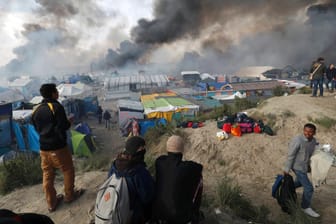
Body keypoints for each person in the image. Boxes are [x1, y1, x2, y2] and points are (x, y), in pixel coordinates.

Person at [31, 83, 84, 213]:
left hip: (43, 148)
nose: (58, 93)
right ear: (53, 93)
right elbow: (63, 126)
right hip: (58, 147)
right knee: (67, 170)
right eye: (56, 91)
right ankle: (69, 196)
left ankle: (51, 202)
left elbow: (35, 126)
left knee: (47, 173)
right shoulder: (56, 107)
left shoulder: (36, 108)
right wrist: (69, 121)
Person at [152, 135, 203, 224]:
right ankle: (194, 213)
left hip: (159, 213)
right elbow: (199, 168)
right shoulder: (187, 167)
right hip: (180, 216)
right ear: (182, 150)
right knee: (199, 178)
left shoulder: (159, 162)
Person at [107, 136, 155, 223]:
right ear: (137, 151)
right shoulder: (138, 171)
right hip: (133, 214)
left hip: (115, 208)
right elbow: (147, 197)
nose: (144, 150)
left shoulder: (115, 165)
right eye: (142, 148)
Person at [284, 123, 320, 218]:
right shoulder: (297, 140)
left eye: (310, 131)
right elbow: (290, 155)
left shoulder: (314, 141)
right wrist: (286, 169)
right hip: (297, 166)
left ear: (314, 133)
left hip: (304, 166)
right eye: (306, 131)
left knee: (299, 183)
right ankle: (305, 207)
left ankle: (288, 189)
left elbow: (313, 149)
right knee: (309, 188)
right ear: (303, 130)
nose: (307, 133)